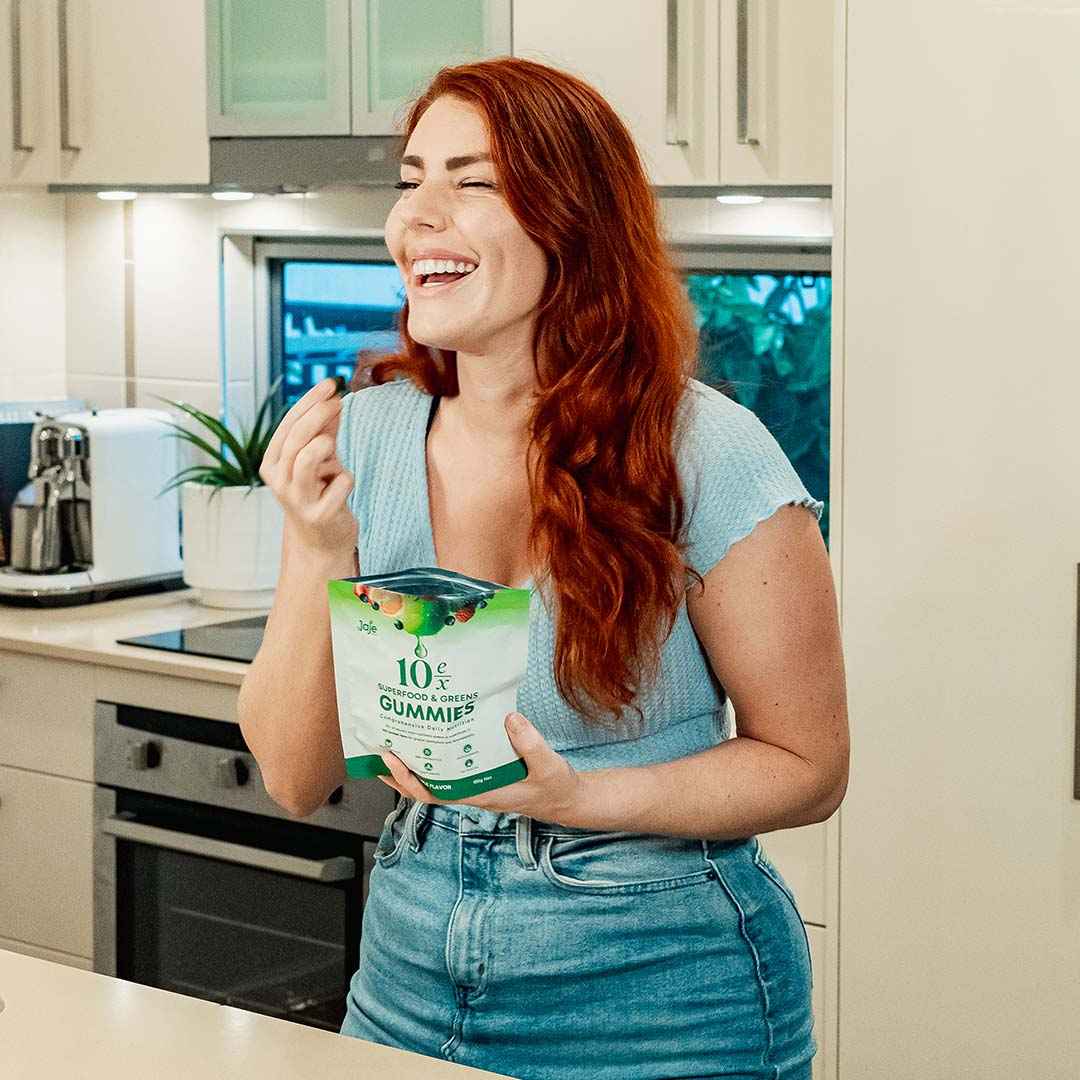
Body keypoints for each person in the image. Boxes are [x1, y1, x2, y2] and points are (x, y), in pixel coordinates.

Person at [240, 55, 849, 1080]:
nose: (417, 215)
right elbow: (297, 778)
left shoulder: (704, 449)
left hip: (664, 993)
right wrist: (316, 549)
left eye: (472, 182)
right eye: (410, 180)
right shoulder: (367, 438)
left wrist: (580, 799)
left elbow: (809, 766)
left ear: (574, 222)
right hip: (409, 973)